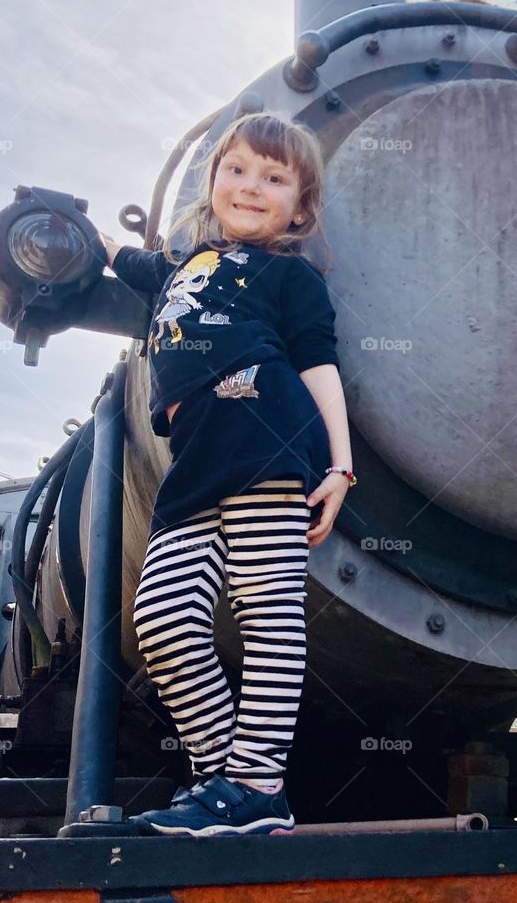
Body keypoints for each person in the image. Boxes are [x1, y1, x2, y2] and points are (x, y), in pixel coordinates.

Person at [101, 112, 355, 837]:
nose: (251, 186)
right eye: (237, 169)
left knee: (266, 609)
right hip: (196, 460)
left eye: (274, 178)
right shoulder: (181, 269)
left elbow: (319, 364)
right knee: (164, 619)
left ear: (298, 206)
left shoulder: (289, 275)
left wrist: (339, 464)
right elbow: (126, 258)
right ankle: (226, 779)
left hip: (267, 440)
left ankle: (256, 780)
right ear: (214, 180)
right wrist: (88, 238)